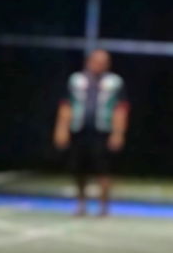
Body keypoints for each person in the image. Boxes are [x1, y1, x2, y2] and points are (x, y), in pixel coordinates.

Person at [53, 49, 127, 216]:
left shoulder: (114, 82)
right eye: (96, 61)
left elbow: (121, 109)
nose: (99, 65)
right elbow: (66, 105)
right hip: (79, 129)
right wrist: (61, 129)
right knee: (78, 168)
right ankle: (81, 204)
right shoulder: (76, 80)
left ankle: (104, 206)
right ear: (89, 61)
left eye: (103, 62)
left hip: (102, 130)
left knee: (103, 168)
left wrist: (118, 133)